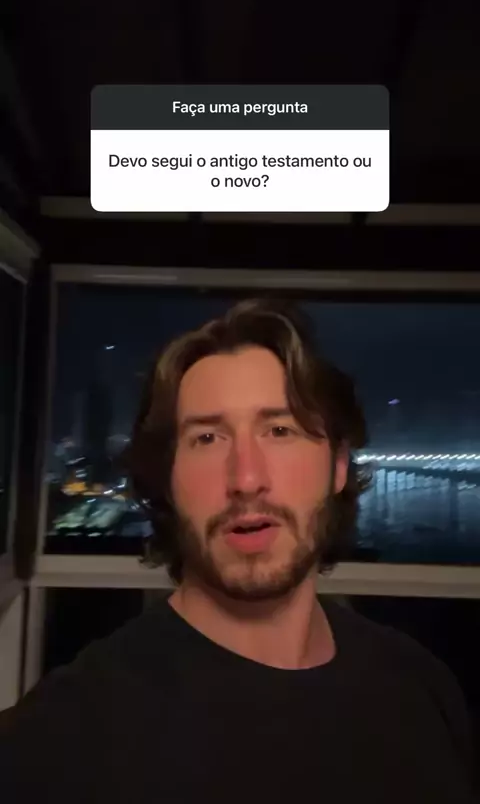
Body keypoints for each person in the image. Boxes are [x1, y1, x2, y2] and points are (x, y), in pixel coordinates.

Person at [0, 299, 477, 803]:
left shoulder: (420, 689)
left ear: (338, 466)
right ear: (167, 481)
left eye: (280, 431)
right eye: (207, 438)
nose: (246, 479)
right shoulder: (56, 743)